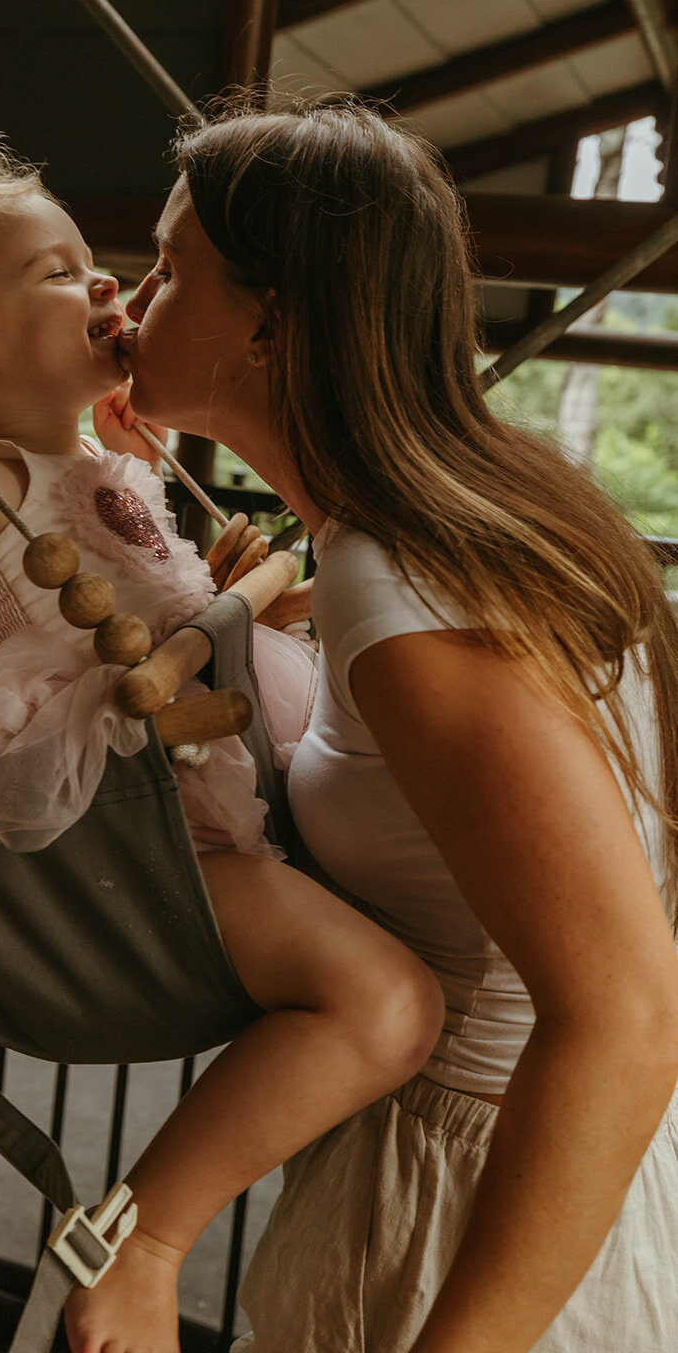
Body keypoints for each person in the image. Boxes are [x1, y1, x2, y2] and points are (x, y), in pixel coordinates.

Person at [0, 136, 444, 1353]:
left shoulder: (100, 457)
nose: (107, 286)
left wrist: (246, 600)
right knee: (386, 1001)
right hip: (140, 822)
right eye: (59, 270)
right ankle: (136, 1240)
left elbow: (164, 589)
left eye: (100, 265)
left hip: (211, 762)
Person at [116, 94, 678, 1353]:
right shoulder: (453, 517)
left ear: (269, 319)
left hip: (479, 1196)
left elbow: (627, 1016)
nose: (126, 301)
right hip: (496, 1152)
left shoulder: (402, 591)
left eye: (166, 271)